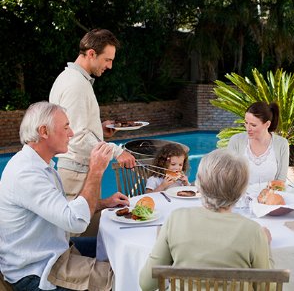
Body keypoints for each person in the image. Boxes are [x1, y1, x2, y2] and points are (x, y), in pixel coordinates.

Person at [0, 101, 130, 291]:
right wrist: (95, 171)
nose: (72, 133)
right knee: (122, 278)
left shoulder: (37, 165)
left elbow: (60, 210)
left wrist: (103, 203)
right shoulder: (26, 174)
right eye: (66, 127)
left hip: (55, 252)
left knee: (117, 249)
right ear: (44, 131)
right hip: (37, 271)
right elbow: (75, 221)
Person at [139, 148, 273, 291]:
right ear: (242, 190)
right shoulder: (253, 231)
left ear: (199, 184)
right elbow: (267, 288)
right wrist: (266, 246)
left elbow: (147, 284)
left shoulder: (175, 219)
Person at [49, 28, 135, 202]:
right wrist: (117, 152)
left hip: (79, 171)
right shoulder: (76, 84)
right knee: (78, 229)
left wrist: (100, 129)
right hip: (76, 174)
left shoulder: (73, 79)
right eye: (107, 60)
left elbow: (75, 127)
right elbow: (77, 137)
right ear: (91, 53)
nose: (110, 66)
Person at [228, 101, 289, 185]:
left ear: (267, 124)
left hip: (270, 195)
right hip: (240, 196)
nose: (248, 128)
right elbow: (229, 176)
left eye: (253, 125)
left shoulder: (282, 144)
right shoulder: (236, 141)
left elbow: (281, 181)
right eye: (246, 123)